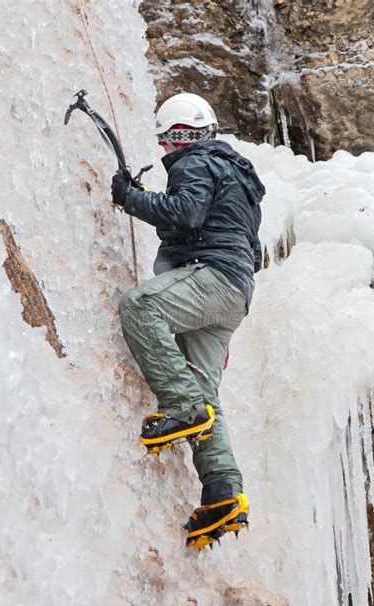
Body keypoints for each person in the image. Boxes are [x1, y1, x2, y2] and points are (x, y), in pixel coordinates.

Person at [111, 93, 265, 549]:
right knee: (205, 389)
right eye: (165, 141)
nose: (166, 150)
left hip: (211, 277)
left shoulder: (196, 162)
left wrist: (130, 198)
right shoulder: (236, 172)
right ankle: (223, 491)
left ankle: (181, 407)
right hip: (234, 293)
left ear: (185, 137)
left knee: (141, 306)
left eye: (169, 140)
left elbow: (186, 212)